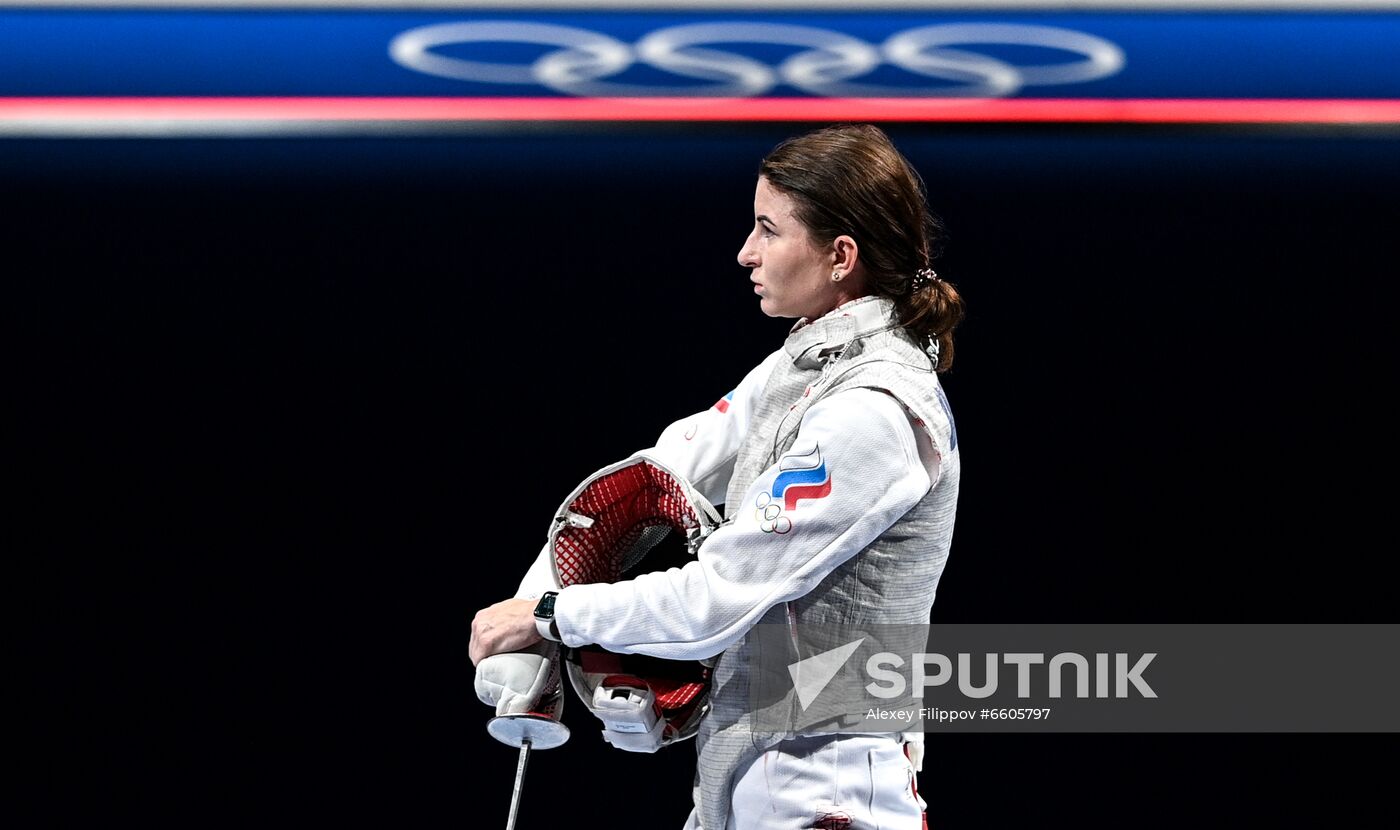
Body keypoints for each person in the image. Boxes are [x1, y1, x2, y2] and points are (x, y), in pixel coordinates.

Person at [469, 122, 965, 829]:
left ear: (839, 256)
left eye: (769, 229)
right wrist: (535, 608)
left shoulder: (875, 411)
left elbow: (715, 600)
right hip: (746, 782)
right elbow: (651, 478)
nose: (746, 252)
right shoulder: (804, 367)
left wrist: (555, 617)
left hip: (827, 795)